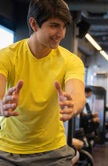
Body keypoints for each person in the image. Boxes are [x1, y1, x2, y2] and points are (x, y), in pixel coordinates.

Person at [0, 0, 85, 165]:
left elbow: (77, 94)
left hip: (54, 153)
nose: (60, 33)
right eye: (54, 25)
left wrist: (73, 104)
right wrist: (1, 106)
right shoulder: (6, 56)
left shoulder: (71, 61)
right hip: (7, 152)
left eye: (63, 26)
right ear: (34, 24)